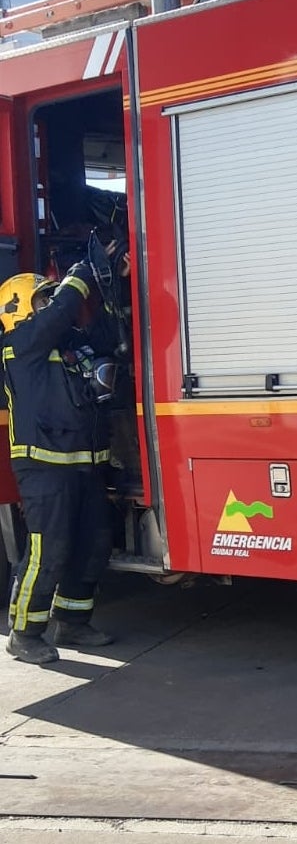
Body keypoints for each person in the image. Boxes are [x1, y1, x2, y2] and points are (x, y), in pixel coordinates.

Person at [2, 258, 118, 664]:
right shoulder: (20, 345)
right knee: (49, 550)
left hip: (85, 464)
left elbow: (105, 338)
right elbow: (58, 315)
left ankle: (73, 622)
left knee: (93, 544)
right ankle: (24, 634)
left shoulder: (69, 343)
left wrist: (99, 290)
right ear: (18, 306)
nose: (50, 304)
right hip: (44, 466)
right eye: (41, 298)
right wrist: (76, 280)